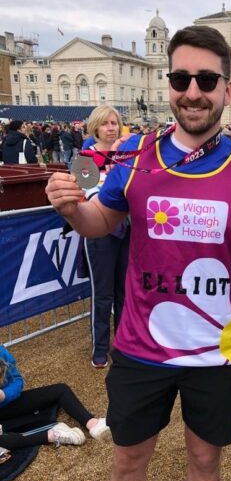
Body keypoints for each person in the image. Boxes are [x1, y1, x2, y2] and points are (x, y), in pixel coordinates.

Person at [45, 25, 231, 481]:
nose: (193, 91)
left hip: (215, 353)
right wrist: (73, 206)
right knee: (128, 457)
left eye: (207, 79)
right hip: (142, 347)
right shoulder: (136, 155)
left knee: (205, 457)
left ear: (227, 90)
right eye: (182, 77)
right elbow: (101, 221)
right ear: (169, 83)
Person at [82, 105, 131, 369]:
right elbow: (89, 195)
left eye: (115, 123)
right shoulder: (83, 158)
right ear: (96, 127)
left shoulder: (128, 156)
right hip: (100, 233)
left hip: (127, 229)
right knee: (102, 295)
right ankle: (99, 350)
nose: (111, 128)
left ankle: (122, 346)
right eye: (105, 123)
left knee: (124, 292)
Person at [0, 345, 110, 451]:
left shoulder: (1, 352)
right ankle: (53, 435)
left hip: (7, 404)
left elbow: (17, 380)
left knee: (60, 390)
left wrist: (4, 394)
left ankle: (92, 423)